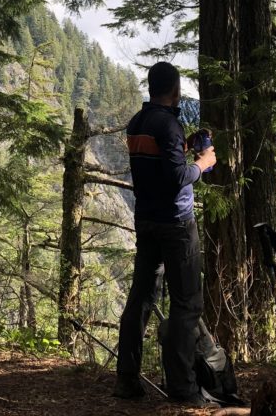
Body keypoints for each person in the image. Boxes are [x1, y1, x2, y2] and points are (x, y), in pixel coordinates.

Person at [113, 61, 217, 406]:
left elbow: (156, 163)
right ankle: (183, 388)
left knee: (141, 298)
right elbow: (175, 178)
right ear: (175, 90)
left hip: (146, 221)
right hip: (176, 225)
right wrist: (202, 164)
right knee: (187, 304)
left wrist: (183, 146)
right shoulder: (167, 124)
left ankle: (126, 379)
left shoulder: (138, 122)